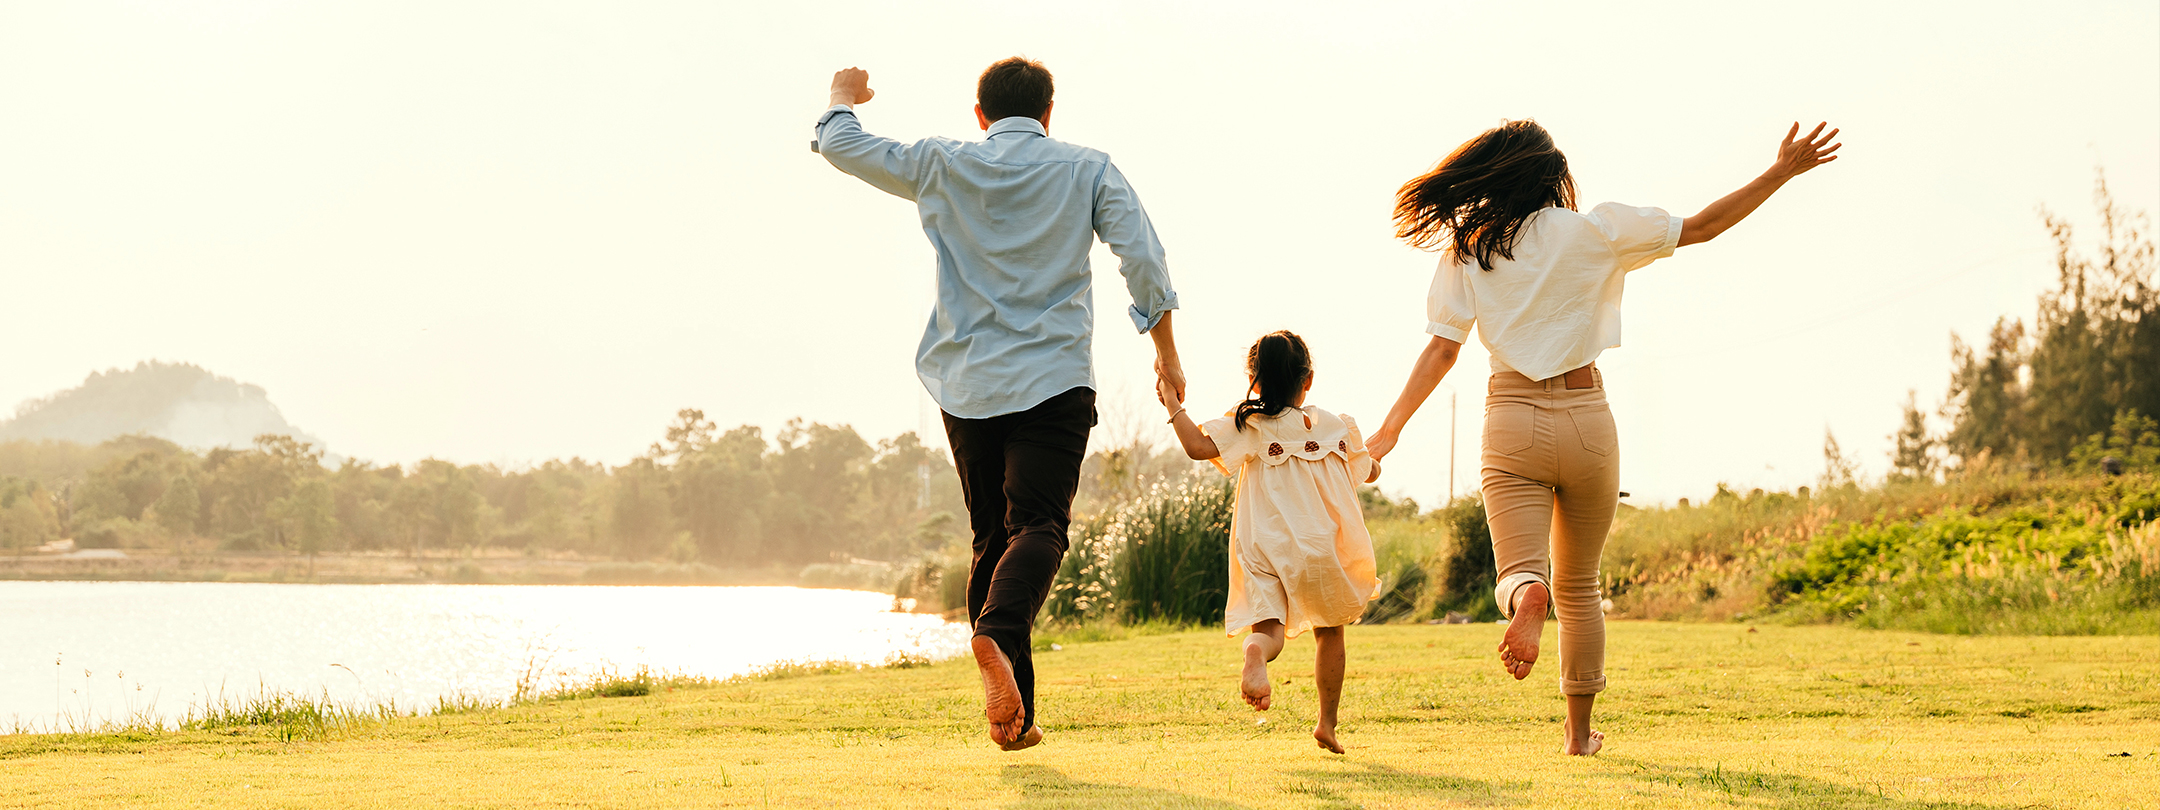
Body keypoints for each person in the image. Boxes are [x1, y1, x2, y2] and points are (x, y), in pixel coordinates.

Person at [1365, 120, 1841, 756]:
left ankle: (1524, 596)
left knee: (1521, 572)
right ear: (1551, 178)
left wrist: (1388, 431)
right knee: (1581, 587)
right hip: (1588, 417)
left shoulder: (1471, 248)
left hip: (1511, 419)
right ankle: (1579, 735)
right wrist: (1780, 172)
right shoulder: (1598, 230)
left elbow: (1441, 351)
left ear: (1495, 176)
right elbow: (1702, 226)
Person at [812, 58, 1183, 751]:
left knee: (993, 538)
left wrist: (844, 94)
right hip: (1052, 378)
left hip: (968, 383)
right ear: (1049, 112)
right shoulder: (1088, 168)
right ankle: (993, 638)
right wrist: (1165, 350)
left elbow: (841, 146)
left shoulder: (941, 163)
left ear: (979, 115)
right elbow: (1145, 261)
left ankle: (1016, 718)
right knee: (1039, 526)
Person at [1158, 330, 1382, 754]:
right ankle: (1327, 724)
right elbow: (1367, 471)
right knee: (1329, 630)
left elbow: (1195, 446)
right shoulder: (1336, 425)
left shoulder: (1250, 425)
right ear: (1308, 379)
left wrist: (1173, 403)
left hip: (1265, 545)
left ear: (1255, 382)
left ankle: (1257, 654)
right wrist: (1376, 464)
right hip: (1321, 547)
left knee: (1269, 630)